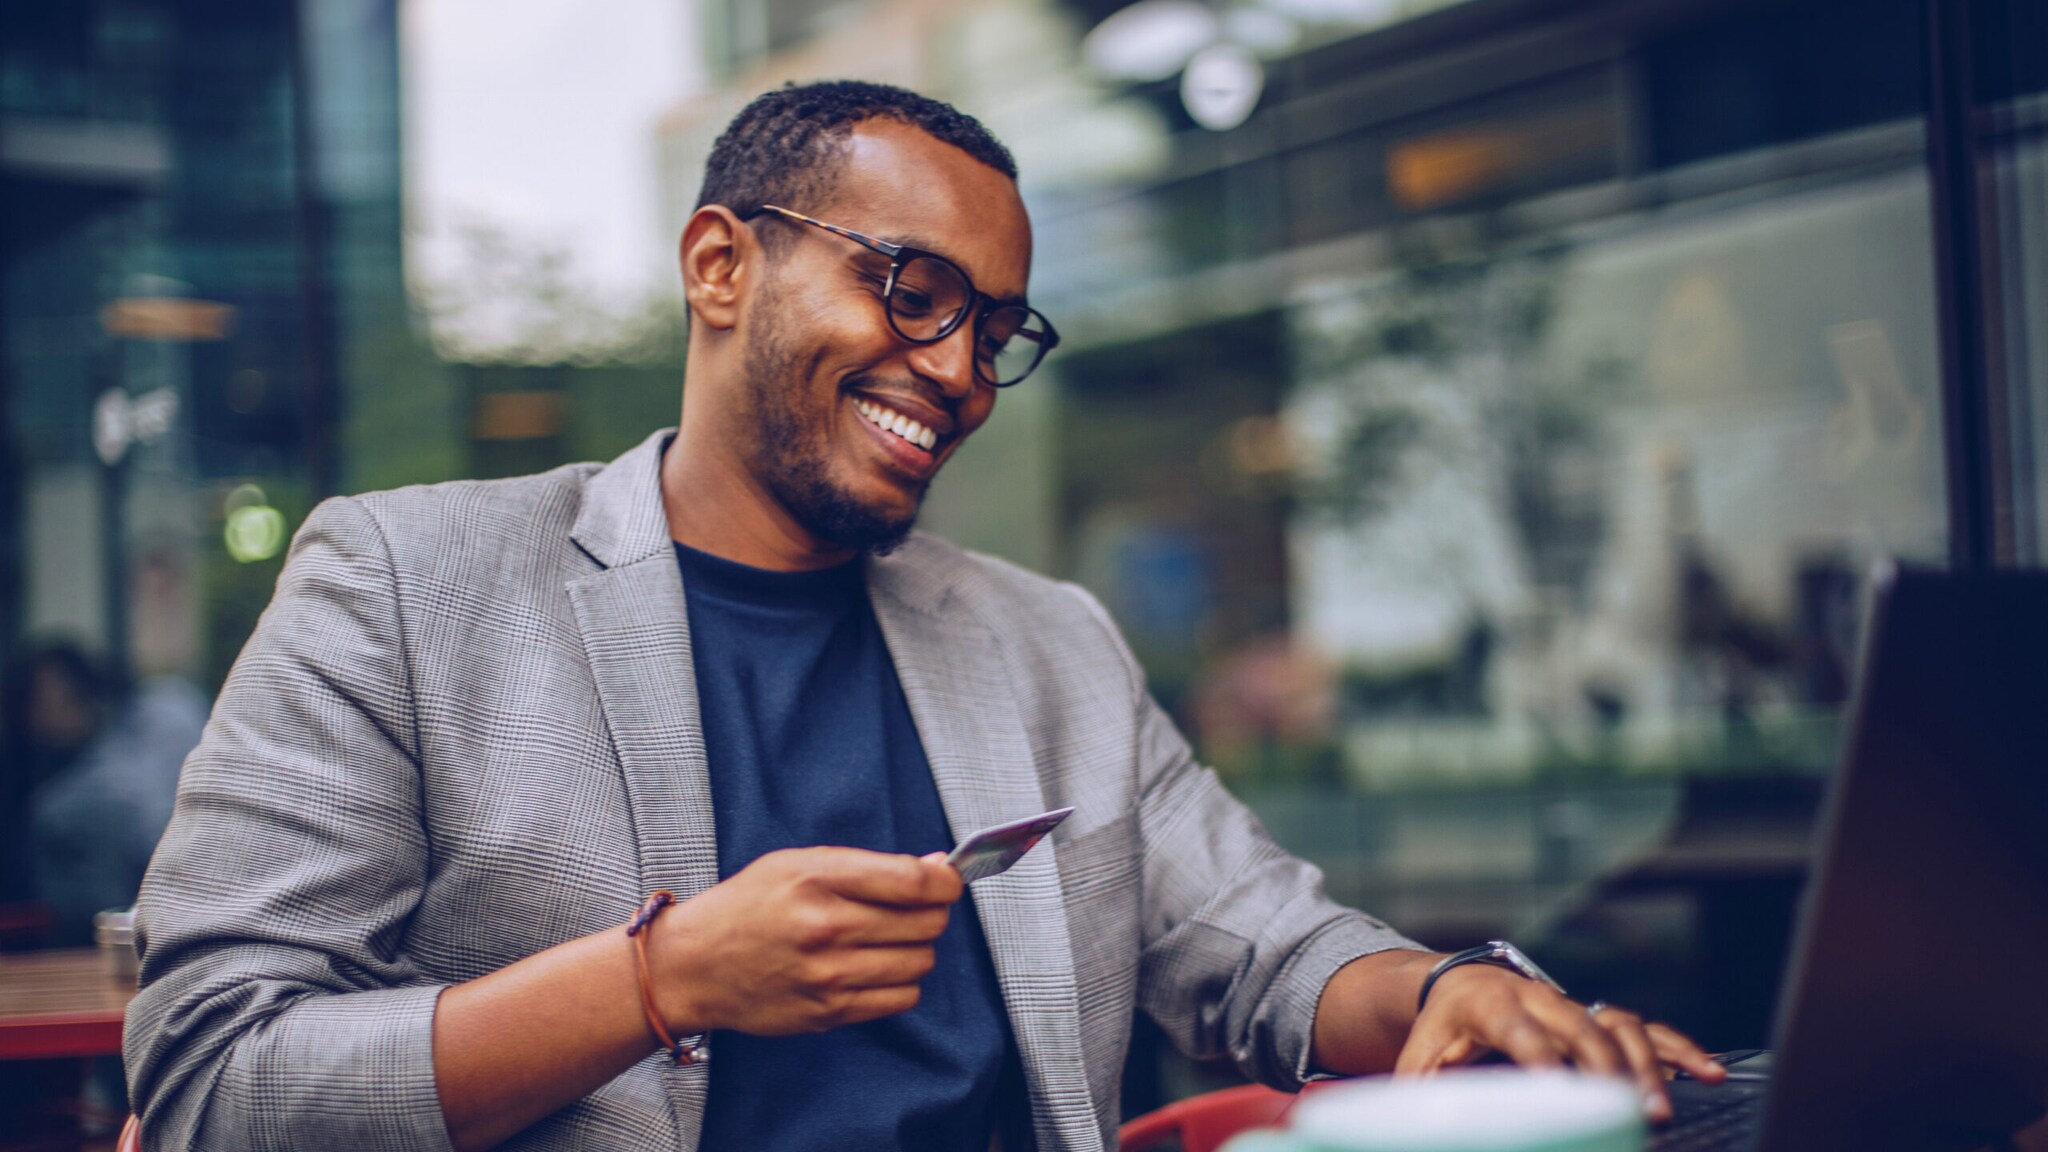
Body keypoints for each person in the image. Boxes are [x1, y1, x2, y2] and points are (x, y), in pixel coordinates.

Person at [125, 81, 1722, 1152]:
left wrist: (1443, 995)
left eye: (997, 328)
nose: (960, 372)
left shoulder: (1044, 644)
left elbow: (1265, 951)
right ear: (719, 265)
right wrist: (659, 979)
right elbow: (210, 1078)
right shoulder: (410, 585)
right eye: (911, 289)